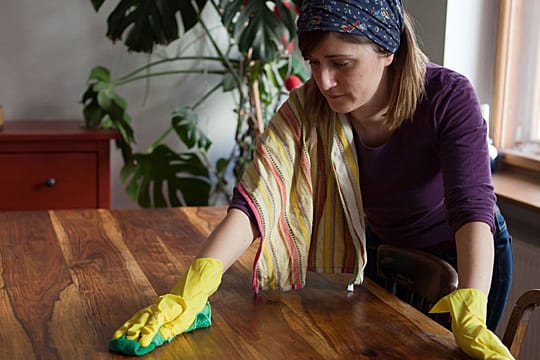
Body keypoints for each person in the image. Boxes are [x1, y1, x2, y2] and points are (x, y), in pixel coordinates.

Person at [109, 1, 514, 358]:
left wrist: (472, 307)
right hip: (384, 248)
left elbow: (471, 207)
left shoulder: (447, 97)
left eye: (341, 64)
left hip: (466, 254)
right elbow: (256, 199)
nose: (324, 82)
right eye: (315, 64)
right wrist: (190, 291)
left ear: (388, 50)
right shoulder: (308, 108)